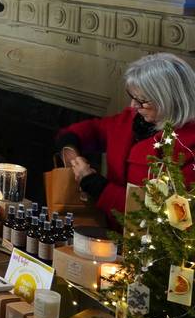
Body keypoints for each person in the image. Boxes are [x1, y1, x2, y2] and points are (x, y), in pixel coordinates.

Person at [58, 52, 195, 217]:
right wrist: (70, 151)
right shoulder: (131, 120)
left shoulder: (187, 148)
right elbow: (88, 130)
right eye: (132, 97)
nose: (133, 105)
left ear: (169, 100)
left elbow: (168, 216)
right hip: (106, 229)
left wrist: (97, 186)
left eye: (142, 100)